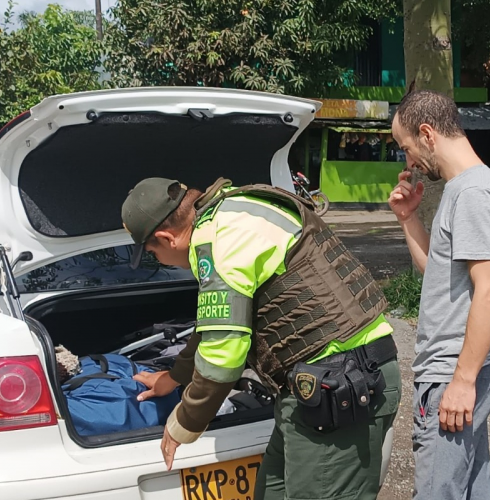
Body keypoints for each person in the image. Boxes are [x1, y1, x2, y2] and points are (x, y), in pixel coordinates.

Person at [120, 176, 401, 500]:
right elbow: (217, 324)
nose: (160, 260)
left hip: (341, 384)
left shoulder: (217, 240)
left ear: (166, 238)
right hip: (319, 383)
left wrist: (182, 423)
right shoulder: (233, 210)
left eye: (153, 253)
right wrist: (174, 377)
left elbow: (222, 361)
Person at [387, 89, 490, 499]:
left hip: (452, 371)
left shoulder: (473, 194)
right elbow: (441, 276)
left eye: (405, 147)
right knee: (471, 489)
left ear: (427, 134)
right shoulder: (465, 190)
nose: (408, 162)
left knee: (436, 491)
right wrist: (408, 219)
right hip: (457, 369)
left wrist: (461, 381)